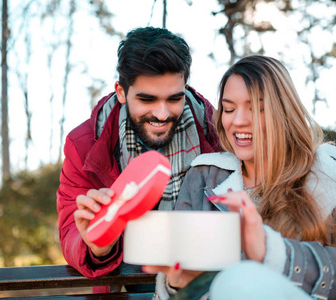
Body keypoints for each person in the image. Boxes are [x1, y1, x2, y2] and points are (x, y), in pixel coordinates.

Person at [144, 55, 336, 299]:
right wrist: (179, 282)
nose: (238, 121)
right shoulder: (204, 176)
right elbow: (177, 279)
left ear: (285, 112)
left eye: (257, 108)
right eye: (229, 109)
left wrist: (274, 252)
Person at [56, 26, 222, 290]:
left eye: (174, 98)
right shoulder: (84, 144)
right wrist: (97, 246)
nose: (162, 113)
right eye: (147, 99)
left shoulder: (217, 131)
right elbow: (71, 231)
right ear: (121, 92)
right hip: (127, 286)